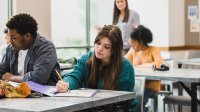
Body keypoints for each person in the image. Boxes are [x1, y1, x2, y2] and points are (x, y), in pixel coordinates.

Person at [56, 25, 136, 111]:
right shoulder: (87, 59)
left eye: (106, 47)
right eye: (98, 43)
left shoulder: (125, 67)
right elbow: (75, 76)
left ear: (114, 50)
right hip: (92, 108)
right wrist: (67, 84)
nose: (99, 48)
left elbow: (123, 101)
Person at [0, 13, 60, 85]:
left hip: (42, 94)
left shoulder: (46, 47)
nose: (10, 41)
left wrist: (12, 78)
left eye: (14, 38)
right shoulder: (11, 48)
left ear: (27, 36)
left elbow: (38, 78)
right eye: (9, 37)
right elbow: (2, 70)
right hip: (18, 93)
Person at [125, 25, 163, 112]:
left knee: (136, 100)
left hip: (151, 86)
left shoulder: (154, 49)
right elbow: (124, 61)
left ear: (141, 41)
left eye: (134, 44)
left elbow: (158, 64)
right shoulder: (133, 51)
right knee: (126, 97)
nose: (132, 47)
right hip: (137, 84)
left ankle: (142, 109)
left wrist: (138, 66)